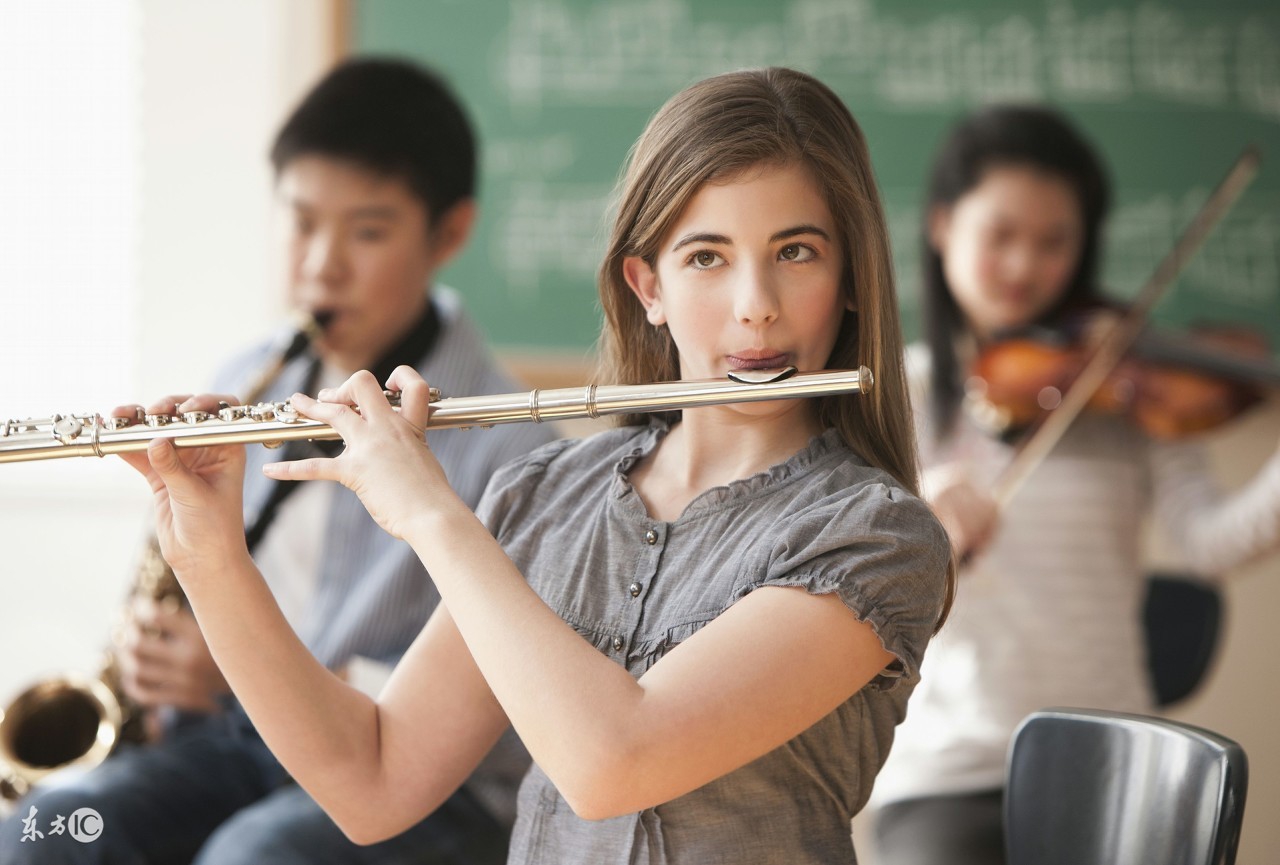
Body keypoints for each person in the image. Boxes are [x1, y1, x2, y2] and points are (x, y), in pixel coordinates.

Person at [89, 67, 954, 864]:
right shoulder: (549, 494)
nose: (755, 307)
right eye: (707, 257)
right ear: (647, 286)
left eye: (796, 252)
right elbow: (373, 781)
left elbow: (616, 758)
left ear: (849, 277)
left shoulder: (875, 535)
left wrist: (429, 511)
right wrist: (208, 551)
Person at [0, 58, 557, 864]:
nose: (322, 264)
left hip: (435, 786)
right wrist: (152, 656)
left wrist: (233, 668)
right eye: (300, 221)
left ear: (450, 232)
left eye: (367, 231)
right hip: (237, 744)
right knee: (48, 829)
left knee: (251, 856)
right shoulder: (245, 373)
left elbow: (498, 705)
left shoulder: (510, 446)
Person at [869, 105, 1280, 864]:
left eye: (1054, 241)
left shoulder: (1125, 395)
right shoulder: (901, 394)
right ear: (942, 227)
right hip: (946, 776)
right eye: (1002, 236)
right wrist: (918, 519)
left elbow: (1207, 542)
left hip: (1115, 757)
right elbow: (841, 583)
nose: (1026, 266)